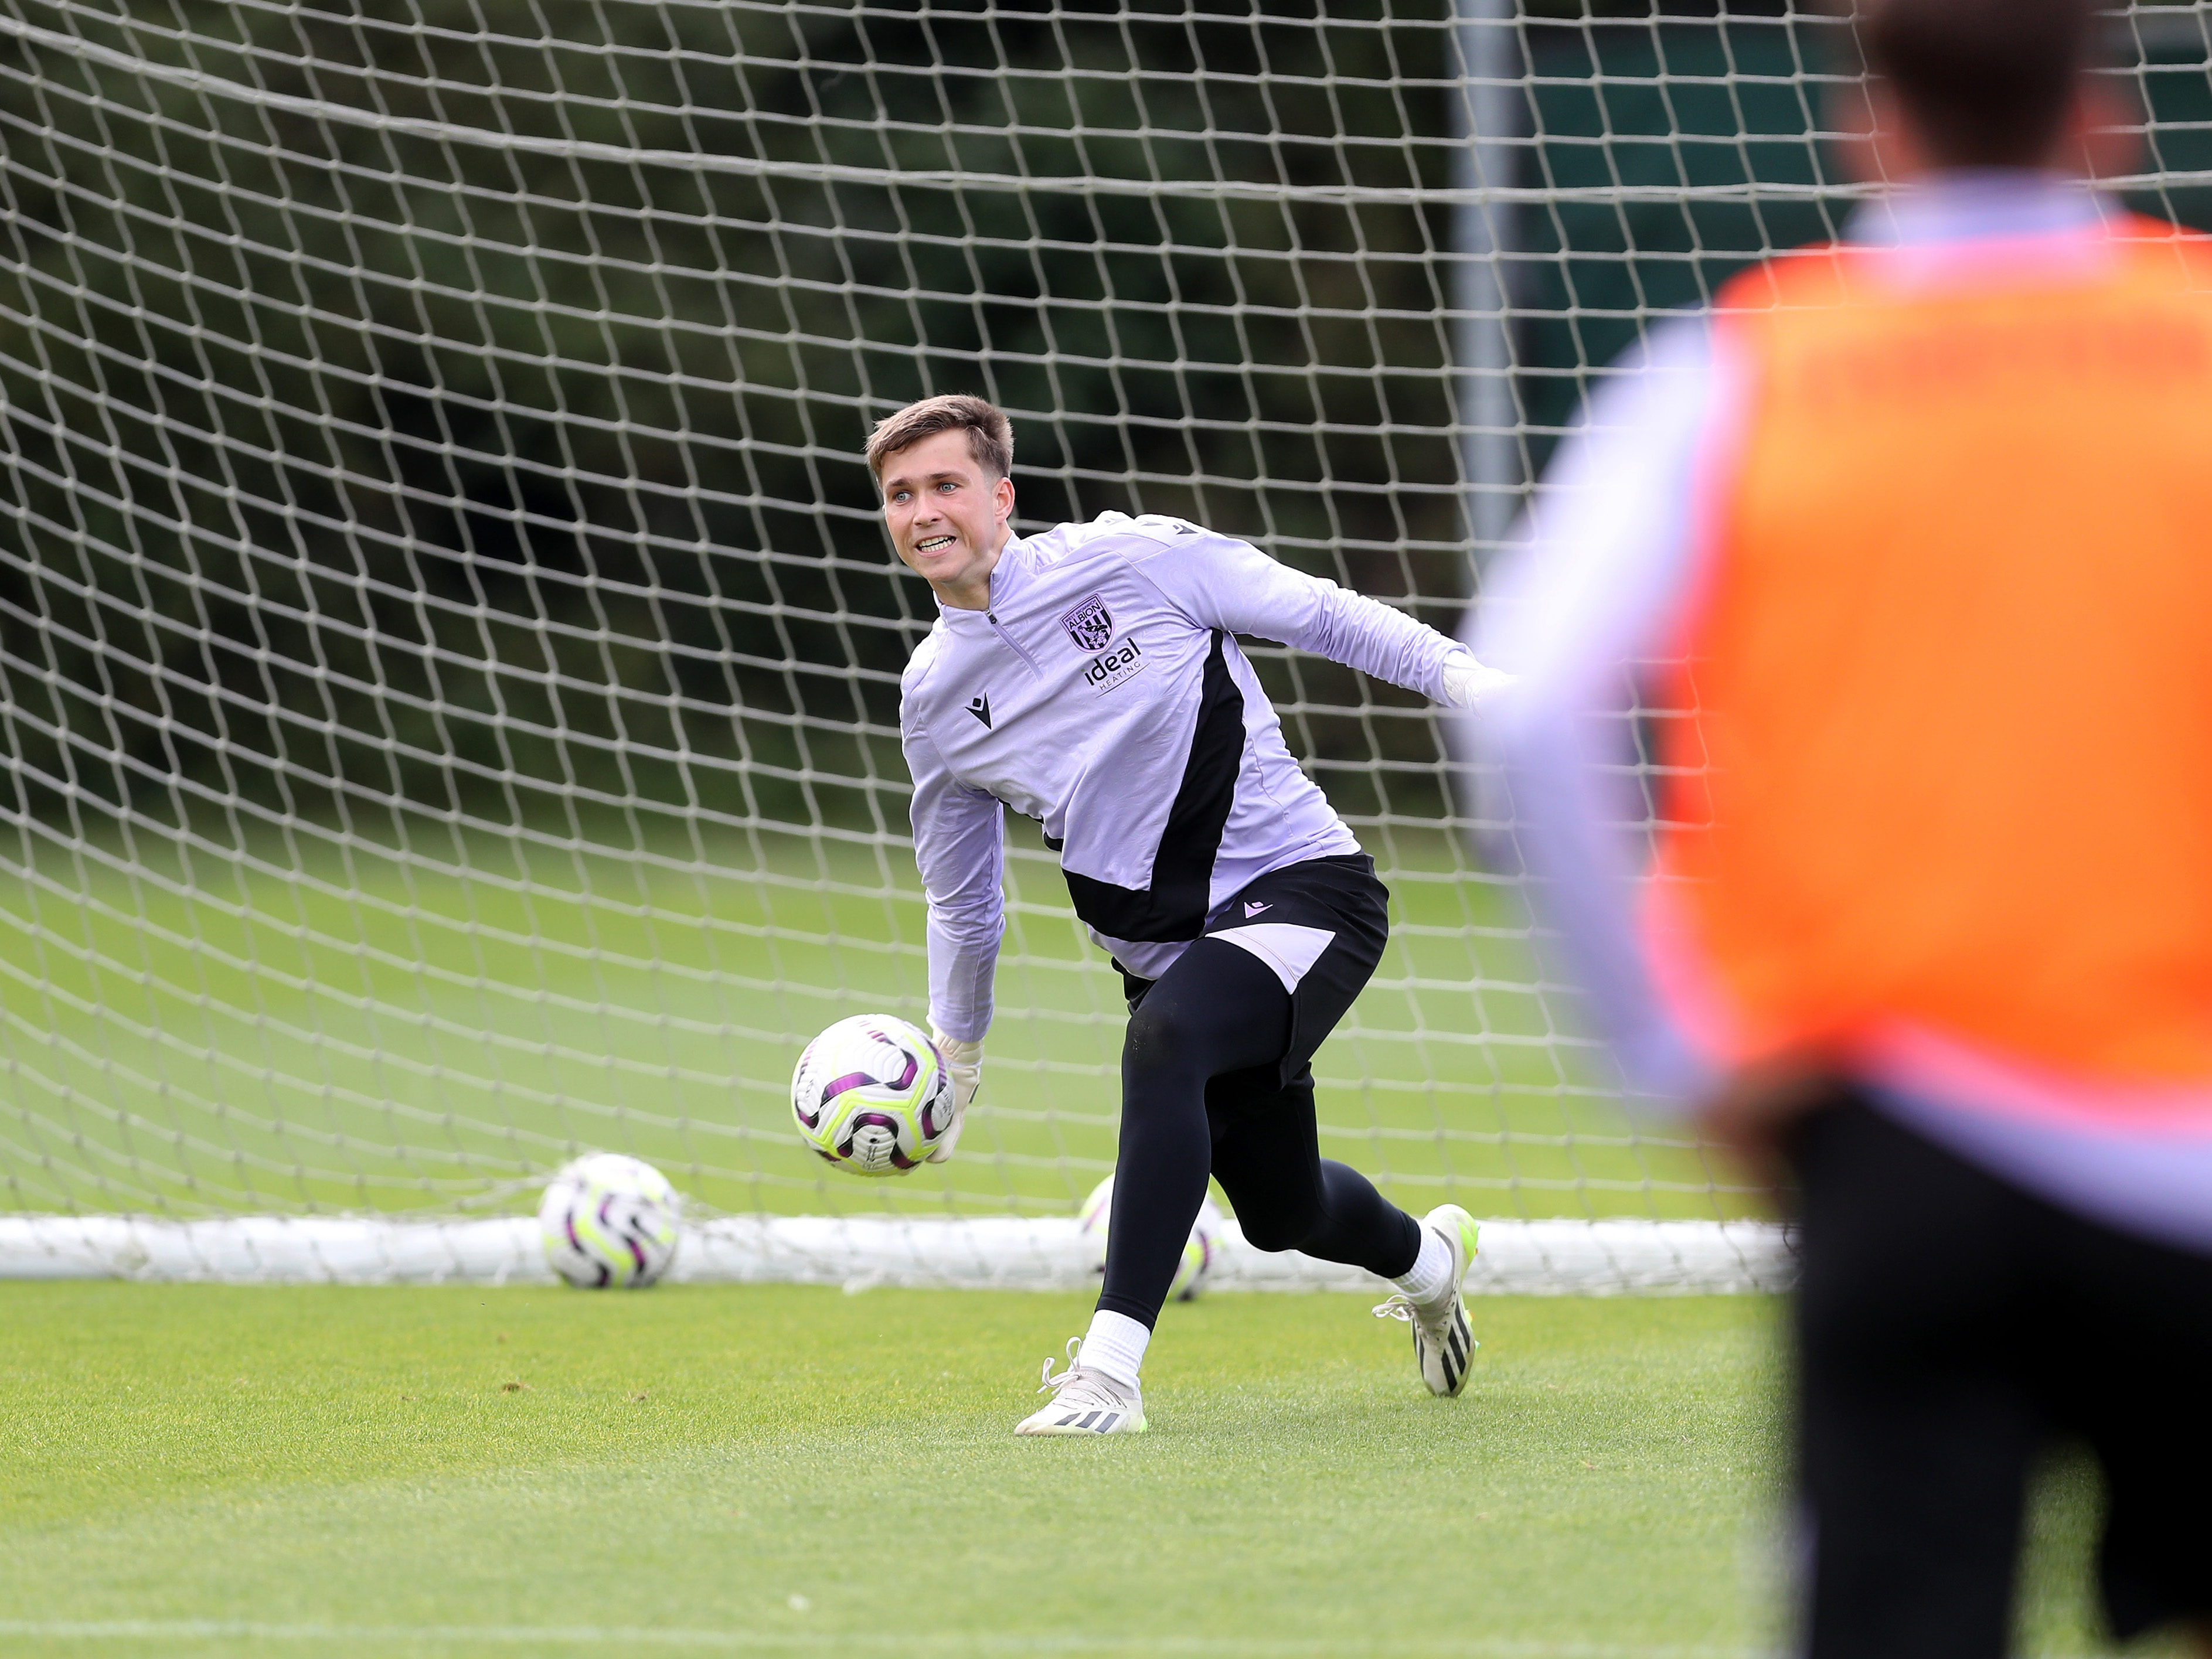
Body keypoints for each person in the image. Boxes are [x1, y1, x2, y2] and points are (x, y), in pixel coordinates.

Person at [1473, 0, 2212, 1653]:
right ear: (2104, 113)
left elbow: (1519, 707)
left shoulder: (1735, 368)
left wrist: (1672, 1056)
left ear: (1861, 121)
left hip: (1894, 1137)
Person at [872, 393, 1511, 1435]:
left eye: (945, 485)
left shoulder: (1138, 561)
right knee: (1282, 1211)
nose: (923, 513)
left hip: (1309, 891)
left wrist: (1463, 679)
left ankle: (1108, 1374)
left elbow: (1323, 613)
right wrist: (959, 1052)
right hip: (1174, 958)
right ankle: (1432, 1263)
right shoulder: (936, 697)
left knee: (1163, 1043)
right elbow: (963, 892)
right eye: (900, 496)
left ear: (1002, 495)